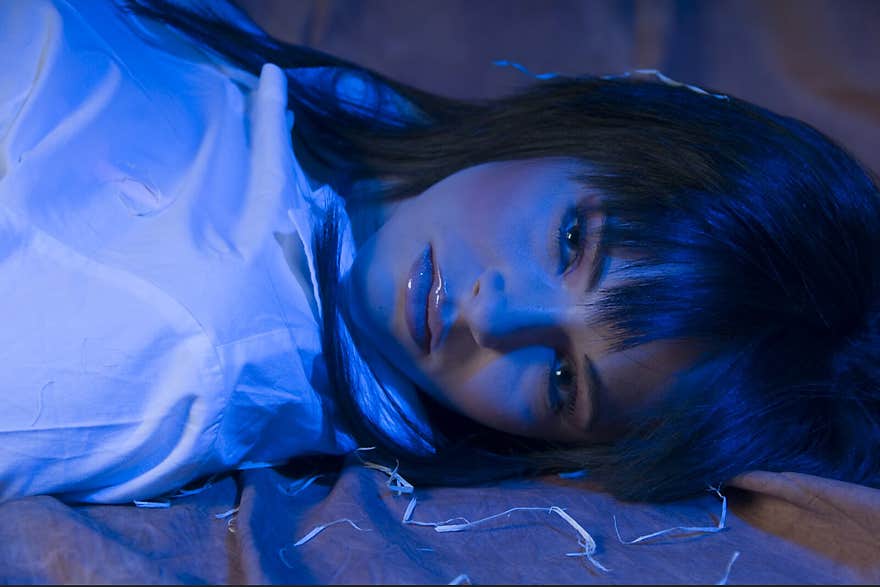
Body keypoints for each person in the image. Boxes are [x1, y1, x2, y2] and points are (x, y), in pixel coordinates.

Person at [1, 0, 877, 504]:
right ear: (613, 114)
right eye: (573, 241)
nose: (491, 314)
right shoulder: (342, 131)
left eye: (564, 381)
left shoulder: (174, 354)